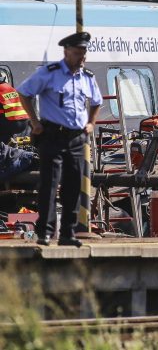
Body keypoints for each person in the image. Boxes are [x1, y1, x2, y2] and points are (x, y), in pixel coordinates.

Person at [17, 31, 102, 247]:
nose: (81, 58)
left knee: (74, 185)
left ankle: (67, 233)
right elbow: (24, 93)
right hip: (52, 135)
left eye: (84, 54)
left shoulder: (87, 77)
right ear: (66, 52)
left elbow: (96, 101)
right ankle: (45, 232)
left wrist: (91, 123)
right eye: (77, 53)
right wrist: (34, 122)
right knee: (49, 185)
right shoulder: (49, 73)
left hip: (76, 138)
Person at [0, 70, 29, 144]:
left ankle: (5, 145)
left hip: (11, 123)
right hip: (24, 122)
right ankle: (9, 142)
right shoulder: (9, 87)